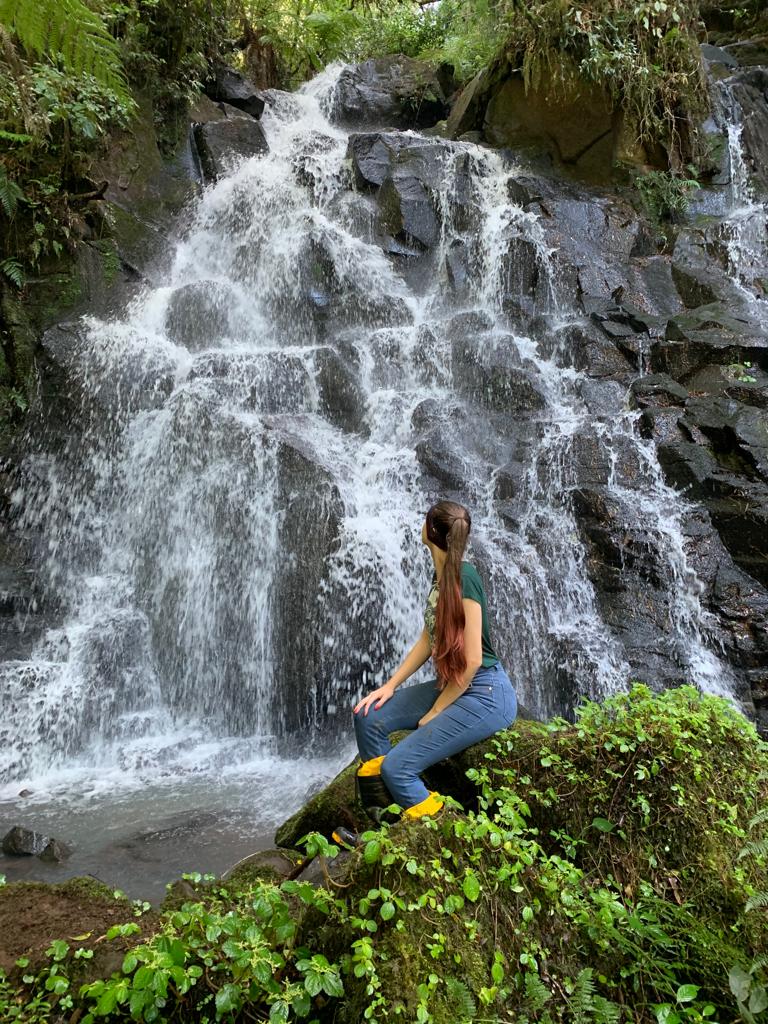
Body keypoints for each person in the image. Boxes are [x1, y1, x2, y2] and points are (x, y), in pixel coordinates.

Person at [333, 500, 517, 847]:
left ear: (431, 532)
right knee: (368, 716)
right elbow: (427, 638)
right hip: (457, 683)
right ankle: (387, 826)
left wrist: (436, 711)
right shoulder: (441, 575)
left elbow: (474, 659)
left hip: (486, 693)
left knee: (397, 767)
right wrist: (388, 686)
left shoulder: (467, 577)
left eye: (425, 518)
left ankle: (442, 844)